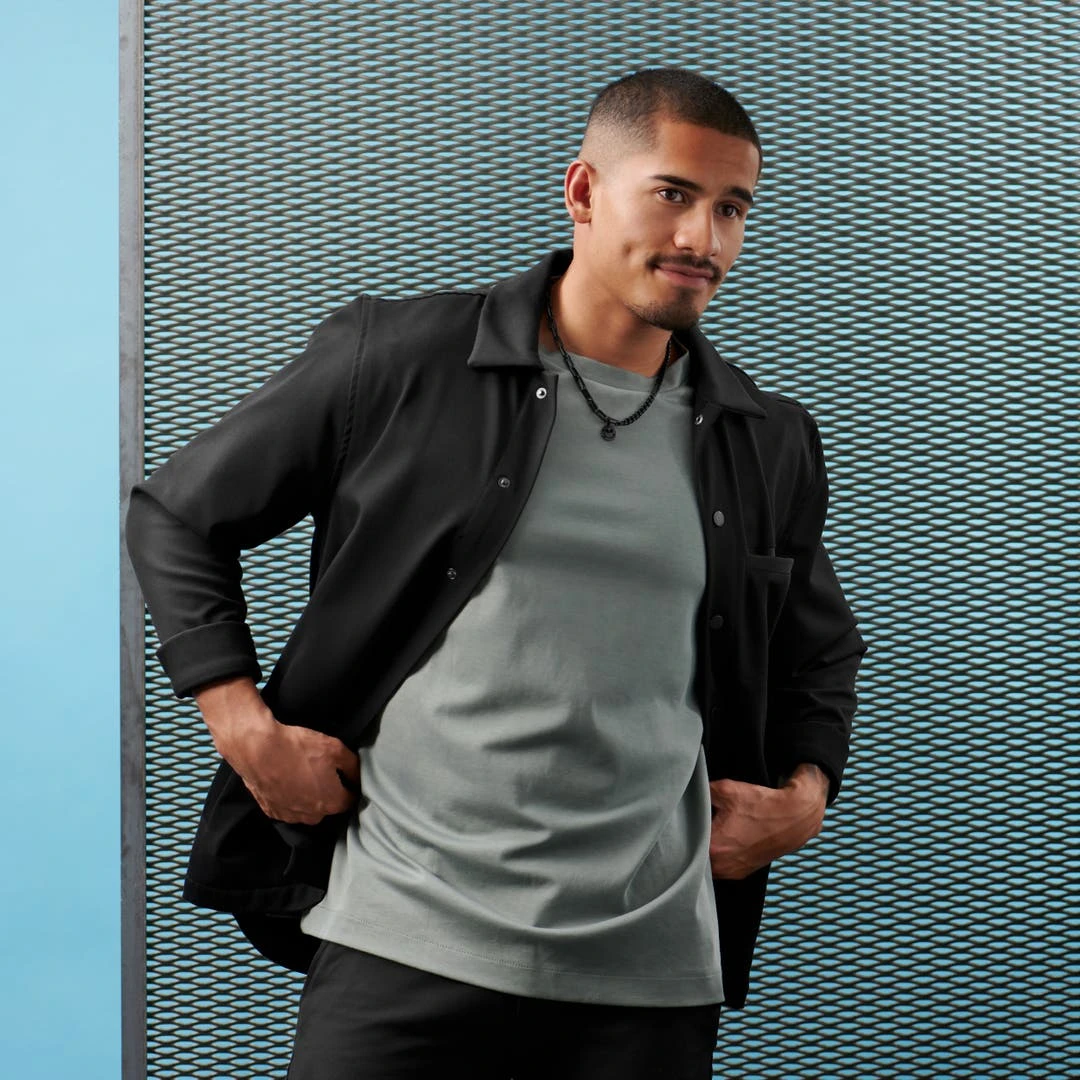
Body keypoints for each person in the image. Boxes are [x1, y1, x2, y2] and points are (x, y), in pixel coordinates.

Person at [124, 65, 867, 1080]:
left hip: (648, 981)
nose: (704, 238)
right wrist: (243, 726)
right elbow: (176, 514)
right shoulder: (401, 360)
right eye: (673, 194)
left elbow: (819, 653)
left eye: (733, 208)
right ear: (583, 191)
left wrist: (806, 796)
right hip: (402, 941)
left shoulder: (765, 438)